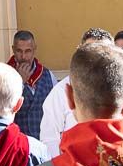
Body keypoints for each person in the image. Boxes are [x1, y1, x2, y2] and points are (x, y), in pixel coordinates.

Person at [39, 28, 114, 158]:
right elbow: (49, 138)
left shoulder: (121, 88)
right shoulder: (61, 91)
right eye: (90, 52)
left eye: (103, 52)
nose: (96, 59)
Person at [9, 29, 56, 140]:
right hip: (17, 143)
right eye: (19, 51)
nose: (24, 56)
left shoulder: (48, 75)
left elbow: (56, 109)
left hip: (44, 143)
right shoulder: (4, 75)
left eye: (28, 51)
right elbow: (2, 109)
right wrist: (20, 82)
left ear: (34, 50)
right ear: (13, 50)